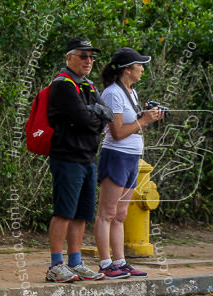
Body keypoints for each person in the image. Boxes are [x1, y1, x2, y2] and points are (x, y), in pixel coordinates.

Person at [45, 38, 115, 283]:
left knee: (81, 214)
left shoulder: (88, 85)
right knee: (64, 212)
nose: (89, 61)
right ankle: (56, 265)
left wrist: (92, 116)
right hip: (67, 157)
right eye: (83, 56)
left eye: (91, 57)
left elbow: (106, 115)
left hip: (88, 157)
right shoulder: (62, 85)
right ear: (69, 58)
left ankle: (75, 262)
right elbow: (86, 119)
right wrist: (93, 116)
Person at [94, 47, 165, 279]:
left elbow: (132, 126)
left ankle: (120, 261)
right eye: (139, 65)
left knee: (121, 214)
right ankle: (105, 263)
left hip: (132, 157)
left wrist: (148, 119)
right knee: (107, 212)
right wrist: (142, 119)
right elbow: (116, 133)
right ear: (127, 69)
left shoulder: (131, 92)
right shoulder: (113, 93)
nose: (143, 69)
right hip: (116, 156)